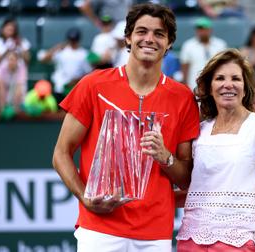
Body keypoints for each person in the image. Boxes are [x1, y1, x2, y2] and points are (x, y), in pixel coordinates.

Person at [52, 3, 200, 252]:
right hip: (99, 228)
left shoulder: (183, 97)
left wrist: (165, 157)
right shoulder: (93, 85)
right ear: (128, 38)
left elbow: (186, 177)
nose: (149, 39)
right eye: (141, 31)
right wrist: (85, 198)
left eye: (159, 34)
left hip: (155, 233)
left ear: (170, 43)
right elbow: (61, 153)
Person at [176, 49, 255, 252]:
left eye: (236, 78)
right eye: (220, 78)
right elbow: (195, 190)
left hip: (240, 242)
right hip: (190, 240)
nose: (228, 84)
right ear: (209, 87)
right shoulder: (199, 130)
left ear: (245, 88)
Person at [40, 27, 92, 103]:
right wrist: (57, 47)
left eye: (75, 40)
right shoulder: (62, 51)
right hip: (60, 88)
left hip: (74, 89)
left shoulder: (84, 54)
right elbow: (43, 59)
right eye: (71, 40)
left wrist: (76, 80)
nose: (73, 42)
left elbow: (88, 72)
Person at [180, 17, 227, 91]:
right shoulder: (188, 45)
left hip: (216, 83)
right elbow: (185, 66)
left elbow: (224, 65)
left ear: (210, 30)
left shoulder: (220, 44)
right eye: (200, 29)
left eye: (205, 29)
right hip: (194, 84)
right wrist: (184, 83)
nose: (202, 31)